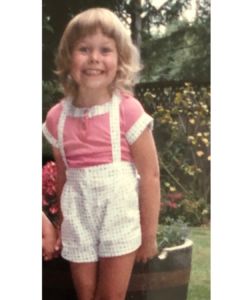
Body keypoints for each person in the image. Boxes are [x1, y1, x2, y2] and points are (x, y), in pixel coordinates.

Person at [42, 7, 160, 300]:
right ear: (69, 58)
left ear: (119, 60)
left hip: (118, 218)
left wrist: (149, 235)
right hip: (79, 220)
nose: (94, 58)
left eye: (105, 50)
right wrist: (60, 225)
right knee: (86, 295)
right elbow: (63, 176)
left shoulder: (128, 110)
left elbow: (150, 176)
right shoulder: (57, 117)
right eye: (84, 49)